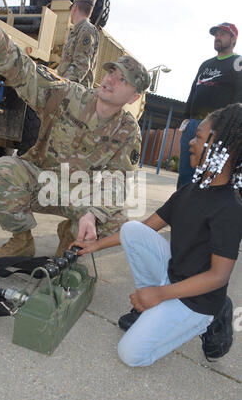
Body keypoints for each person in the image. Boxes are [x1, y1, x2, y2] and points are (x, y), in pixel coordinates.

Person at [0, 0, 150, 257]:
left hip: (79, 195)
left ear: (134, 97)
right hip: (43, 183)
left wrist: (92, 213)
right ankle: (21, 241)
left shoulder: (128, 131)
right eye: (112, 72)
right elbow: (23, 70)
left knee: (115, 221)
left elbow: (118, 182)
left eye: (123, 80)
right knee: (4, 169)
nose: (111, 79)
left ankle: (71, 238)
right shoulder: (69, 95)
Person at [71, 103, 242, 366]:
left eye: (198, 137)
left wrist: (159, 294)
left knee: (130, 354)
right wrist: (95, 246)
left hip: (198, 301)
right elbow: (147, 227)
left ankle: (211, 319)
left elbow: (218, 276)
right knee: (132, 230)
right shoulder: (189, 190)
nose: (190, 143)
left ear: (223, 148)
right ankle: (153, 309)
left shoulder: (230, 208)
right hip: (173, 277)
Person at [178, 22, 242, 189]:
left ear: (233, 39)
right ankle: (181, 209)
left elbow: (239, 96)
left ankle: (203, 212)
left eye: (222, 34)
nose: (217, 37)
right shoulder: (206, 64)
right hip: (192, 124)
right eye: (216, 34)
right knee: (185, 172)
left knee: (209, 175)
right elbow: (194, 90)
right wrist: (186, 117)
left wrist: (227, 125)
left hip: (216, 128)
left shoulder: (238, 63)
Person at [57, 0, 100, 89]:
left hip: (75, 94)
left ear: (75, 7)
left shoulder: (86, 30)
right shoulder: (79, 30)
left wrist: (62, 87)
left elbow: (81, 64)